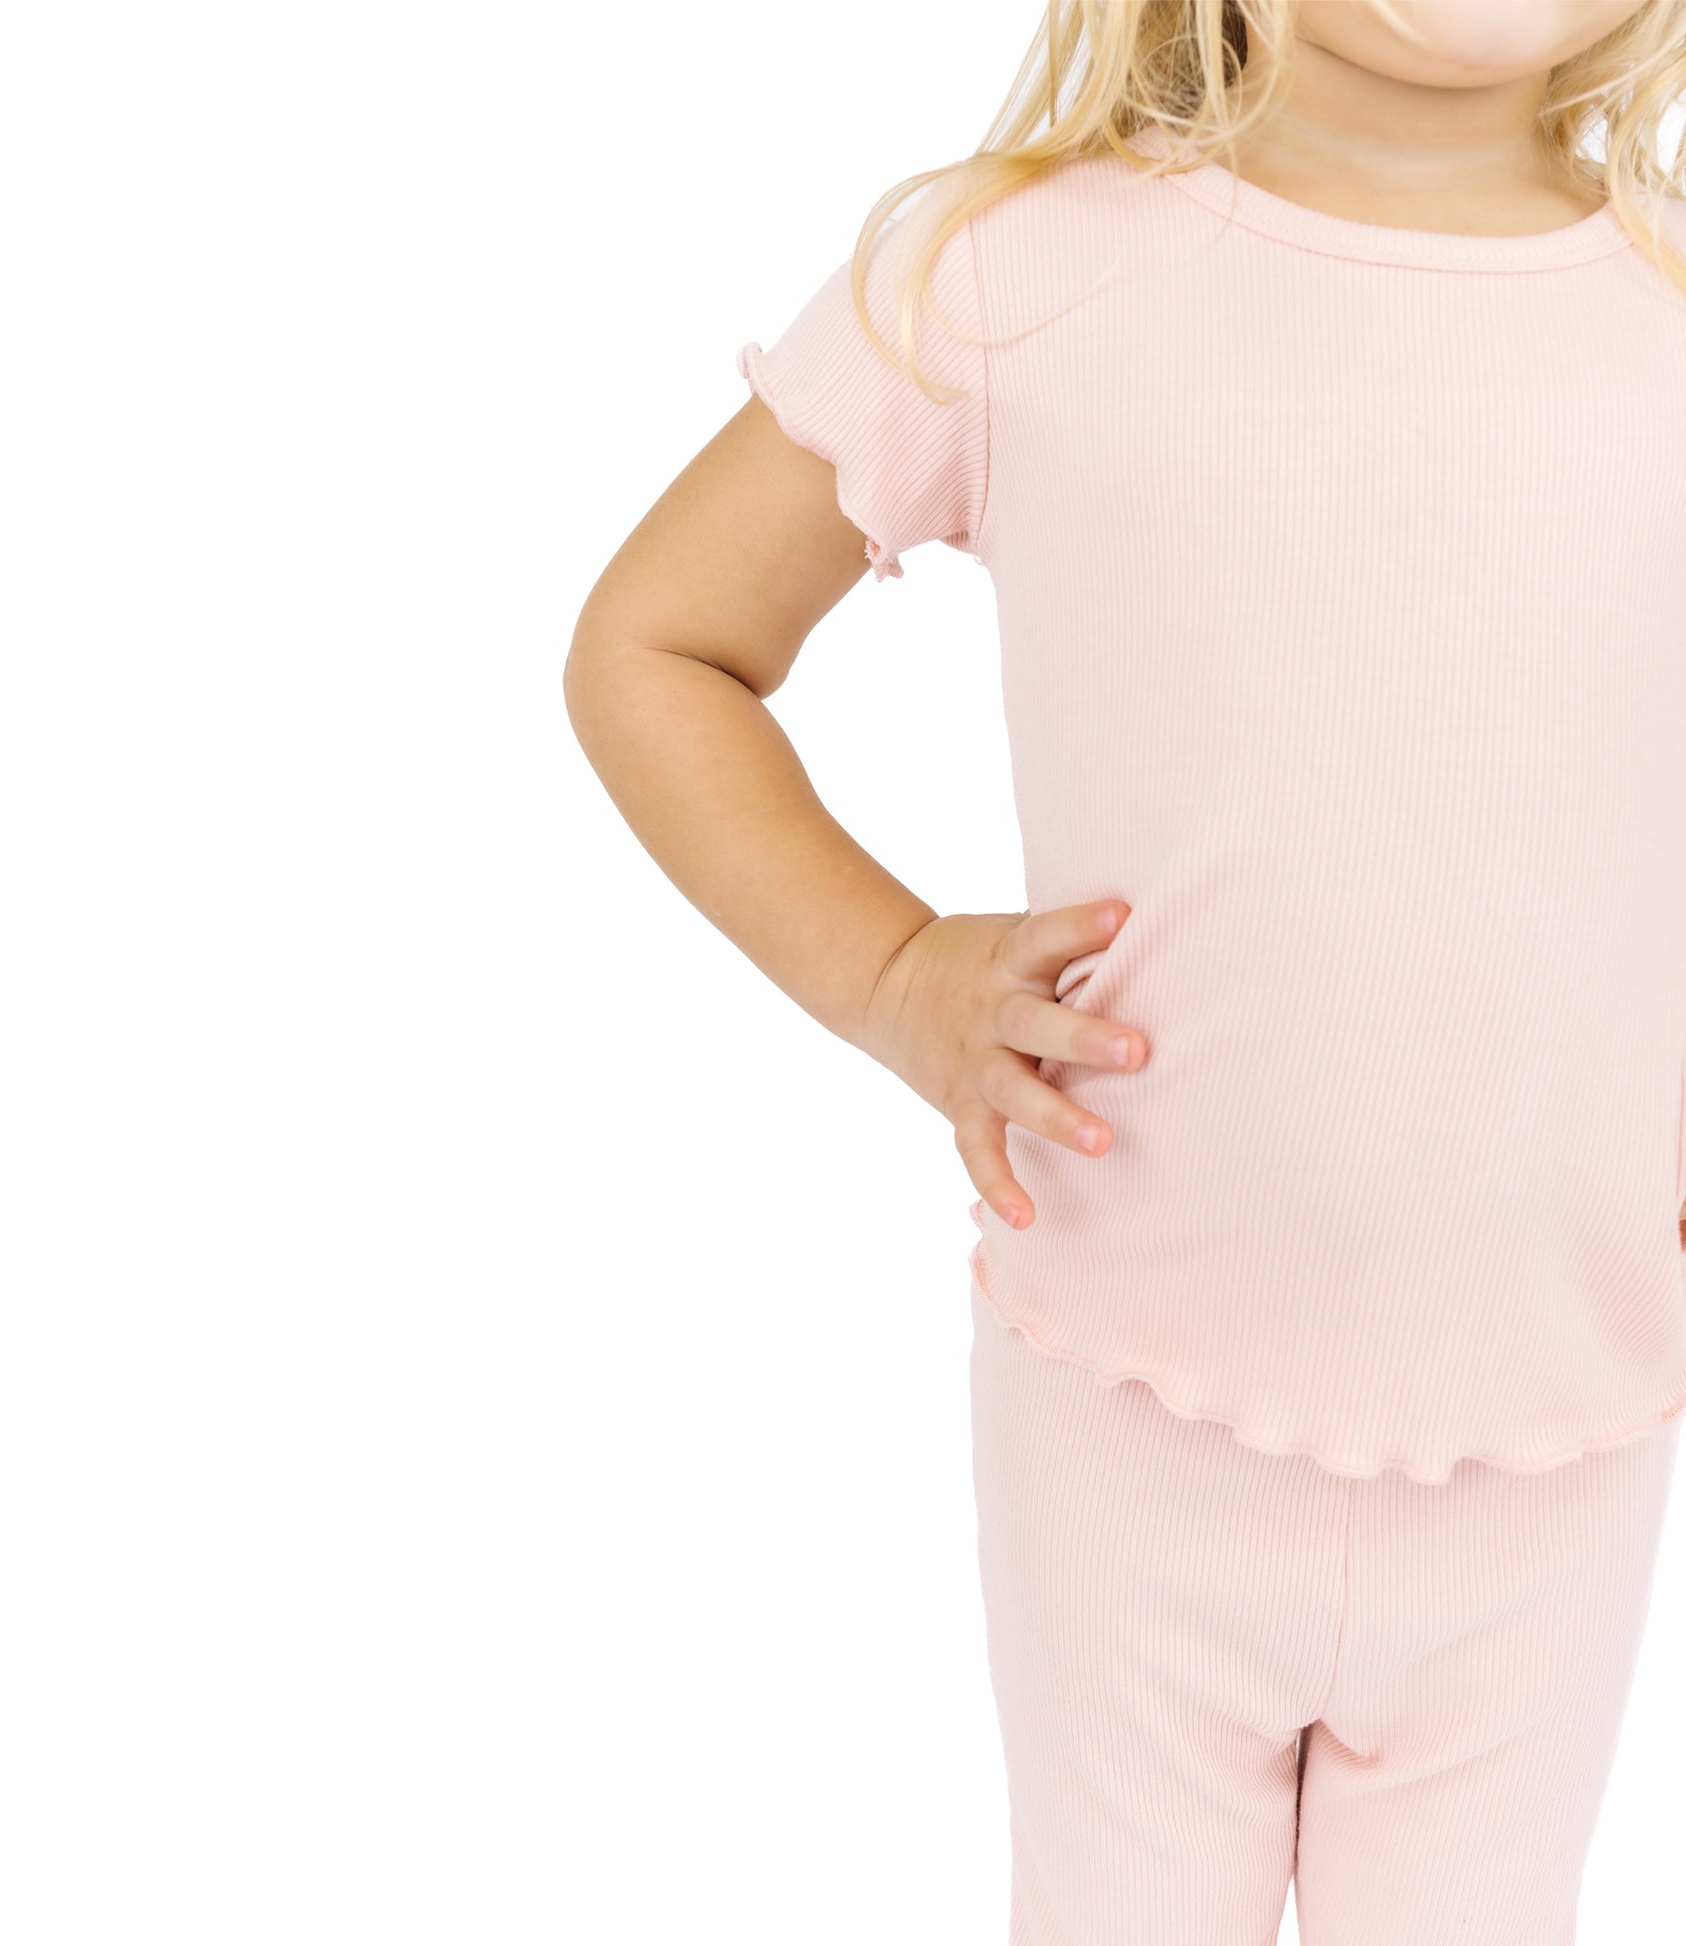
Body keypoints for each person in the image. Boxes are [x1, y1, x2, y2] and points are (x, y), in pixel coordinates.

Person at [563, 2, 1686, 1939]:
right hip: (1126, 1411)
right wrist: (892, 970)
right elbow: (656, 646)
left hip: (1558, 1428)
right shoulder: (1013, 277)